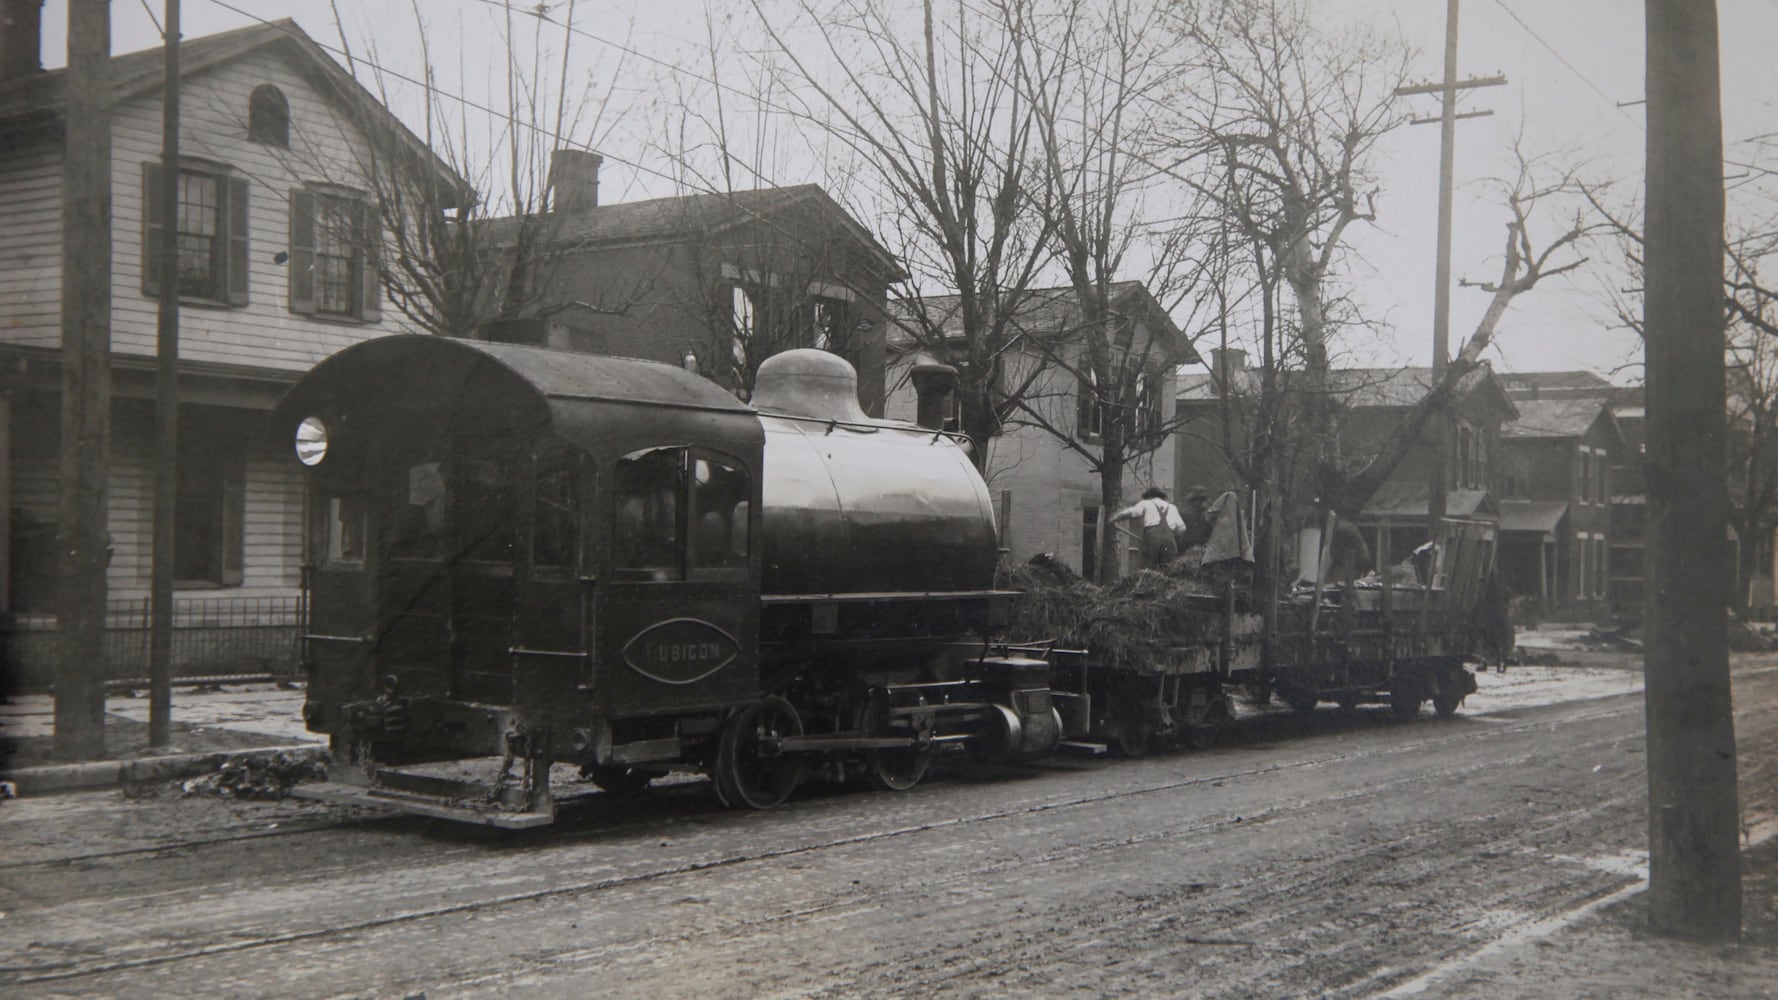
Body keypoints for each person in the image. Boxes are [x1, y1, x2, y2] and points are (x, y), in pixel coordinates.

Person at [1112, 487, 1183, 570]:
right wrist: (1170, 536)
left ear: (1148, 496)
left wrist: (1114, 518)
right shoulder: (1172, 507)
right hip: (1170, 542)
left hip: (1153, 540)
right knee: (1168, 571)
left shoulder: (1146, 503)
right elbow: (1182, 528)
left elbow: (1131, 512)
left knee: (1148, 571)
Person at [1176, 485, 1214, 549]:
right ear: (1196, 501)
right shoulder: (1188, 514)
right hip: (1190, 546)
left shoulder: (1202, 513)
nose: (1205, 503)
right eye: (1203, 500)